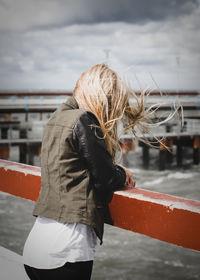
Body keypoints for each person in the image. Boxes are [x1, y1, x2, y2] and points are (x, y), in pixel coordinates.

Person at [23, 63, 165, 280]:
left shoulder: (56, 118)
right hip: (65, 252)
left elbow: (77, 167)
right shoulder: (83, 119)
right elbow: (106, 178)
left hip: (37, 247)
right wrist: (121, 173)